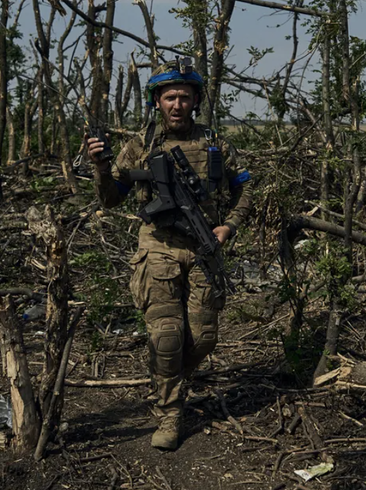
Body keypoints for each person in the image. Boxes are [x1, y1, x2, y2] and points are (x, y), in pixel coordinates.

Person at [88, 58, 253, 450]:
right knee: (166, 338)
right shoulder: (140, 146)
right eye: (169, 97)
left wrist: (228, 226)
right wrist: (101, 166)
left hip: (204, 248)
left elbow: (244, 189)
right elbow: (111, 198)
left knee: (204, 337)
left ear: (196, 99)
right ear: (157, 102)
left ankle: (167, 378)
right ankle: (170, 414)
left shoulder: (216, 144)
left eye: (183, 96)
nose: (177, 104)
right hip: (158, 248)